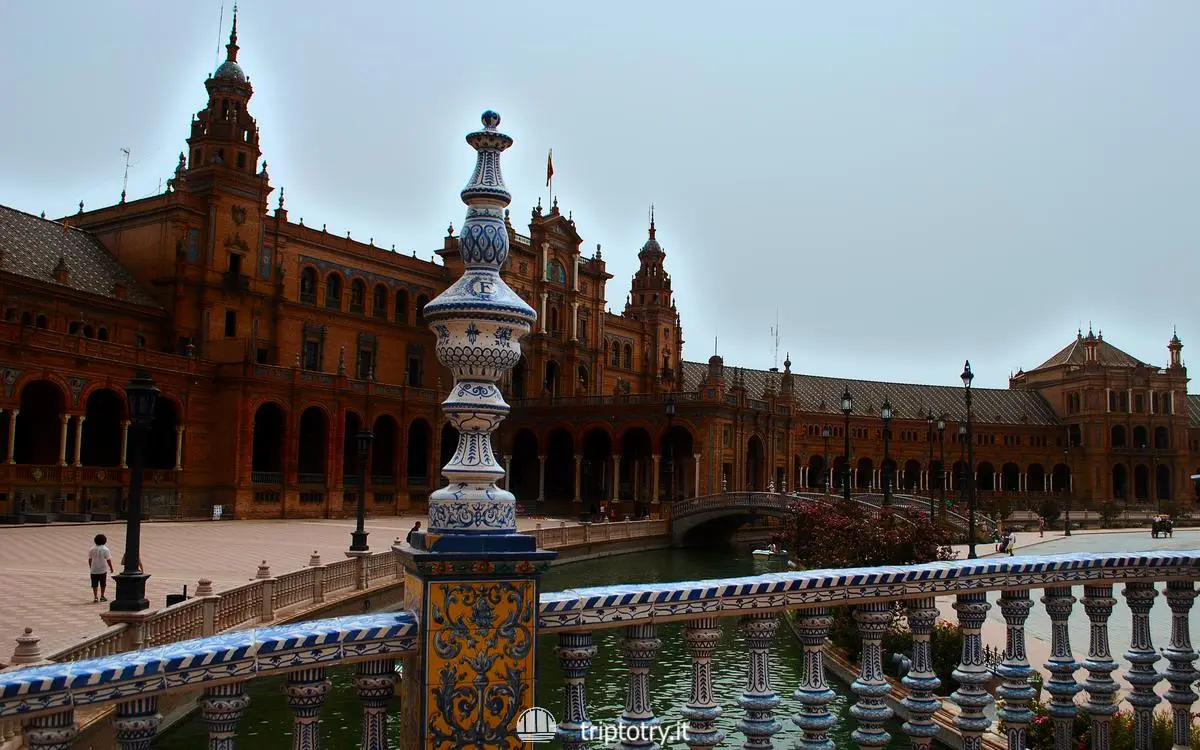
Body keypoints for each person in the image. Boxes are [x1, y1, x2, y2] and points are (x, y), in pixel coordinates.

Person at [88, 534, 113, 603]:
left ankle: (95, 597)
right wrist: (111, 568)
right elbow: (108, 560)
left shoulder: (92, 549)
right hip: (103, 569)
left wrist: (91, 566)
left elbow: (90, 559)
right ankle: (102, 596)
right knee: (103, 583)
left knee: (94, 583)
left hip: (94, 569)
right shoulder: (105, 549)